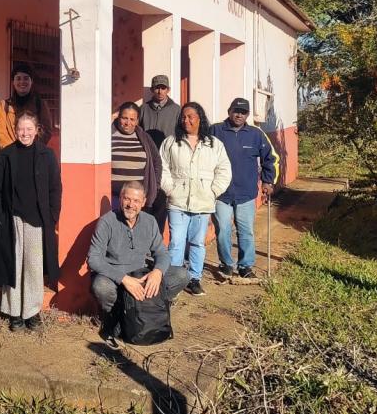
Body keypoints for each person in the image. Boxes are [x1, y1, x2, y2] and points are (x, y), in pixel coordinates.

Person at [87, 181, 189, 348]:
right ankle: (116, 317)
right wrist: (124, 279)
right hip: (116, 279)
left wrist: (157, 272)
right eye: (127, 199)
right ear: (120, 199)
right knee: (101, 286)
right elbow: (93, 258)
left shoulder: (149, 221)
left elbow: (162, 253)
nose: (130, 205)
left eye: (136, 201)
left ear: (143, 202)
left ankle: (151, 306)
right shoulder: (107, 222)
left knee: (182, 275)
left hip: (142, 275)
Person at [0, 111, 62, 332]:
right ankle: (14, 313)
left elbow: (55, 188)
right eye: (21, 129)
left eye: (30, 129)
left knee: (33, 267)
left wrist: (52, 215)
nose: (25, 133)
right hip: (12, 220)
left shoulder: (47, 155)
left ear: (37, 130)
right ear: (15, 130)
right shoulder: (5, 156)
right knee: (14, 266)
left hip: (37, 220)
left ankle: (32, 312)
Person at [159, 102, 232, 297]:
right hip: (177, 201)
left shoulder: (214, 144)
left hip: (203, 202)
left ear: (200, 118)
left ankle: (194, 278)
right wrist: (169, 189)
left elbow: (224, 170)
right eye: (183, 117)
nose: (186, 120)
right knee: (176, 242)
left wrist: (213, 191)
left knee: (197, 242)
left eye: (191, 116)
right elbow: (162, 168)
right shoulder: (171, 142)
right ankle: (173, 281)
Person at [210, 97, 280, 280]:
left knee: (245, 231)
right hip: (220, 193)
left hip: (246, 193)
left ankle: (245, 266)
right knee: (223, 230)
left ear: (247, 114)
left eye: (243, 112)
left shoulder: (256, 134)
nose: (239, 115)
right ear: (229, 111)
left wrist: (268, 181)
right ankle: (226, 265)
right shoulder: (215, 130)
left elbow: (270, 158)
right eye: (236, 111)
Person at [110, 102, 163, 228]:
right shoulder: (108, 135)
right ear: (118, 117)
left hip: (138, 198)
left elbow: (157, 162)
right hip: (114, 196)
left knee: (137, 232)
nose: (128, 123)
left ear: (137, 121)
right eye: (124, 118)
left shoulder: (144, 137)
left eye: (132, 119)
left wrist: (155, 186)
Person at [0, 63, 54, 149]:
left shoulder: (40, 104)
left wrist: (33, 148)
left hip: (33, 154)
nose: (22, 82)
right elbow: (0, 132)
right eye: (18, 79)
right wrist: (11, 151)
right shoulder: (4, 105)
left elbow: (46, 130)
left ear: (31, 81)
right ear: (13, 82)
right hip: (10, 154)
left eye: (26, 78)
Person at [139, 74, 181, 148]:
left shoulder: (177, 109)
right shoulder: (143, 108)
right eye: (157, 88)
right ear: (152, 90)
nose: (160, 92)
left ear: (168, 90)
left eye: (163, 88)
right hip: (148, 149)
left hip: (168, 150)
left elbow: (181, 133)